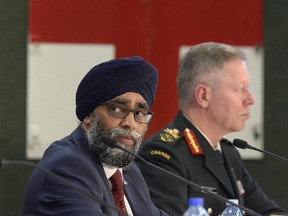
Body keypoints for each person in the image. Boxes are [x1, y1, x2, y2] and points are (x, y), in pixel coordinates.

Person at [135, 42, 287, 216]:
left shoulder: (228, 153)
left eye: (248, 88)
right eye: (240, 88)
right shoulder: (163, 156)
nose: (251, 99)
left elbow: (266, 211)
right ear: (203, 96)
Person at [21, 56, 169, 216]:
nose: (130, 123)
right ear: (89, 115)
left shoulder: (129, 171)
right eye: (117, 109)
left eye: (139, 113)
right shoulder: (66, 167)